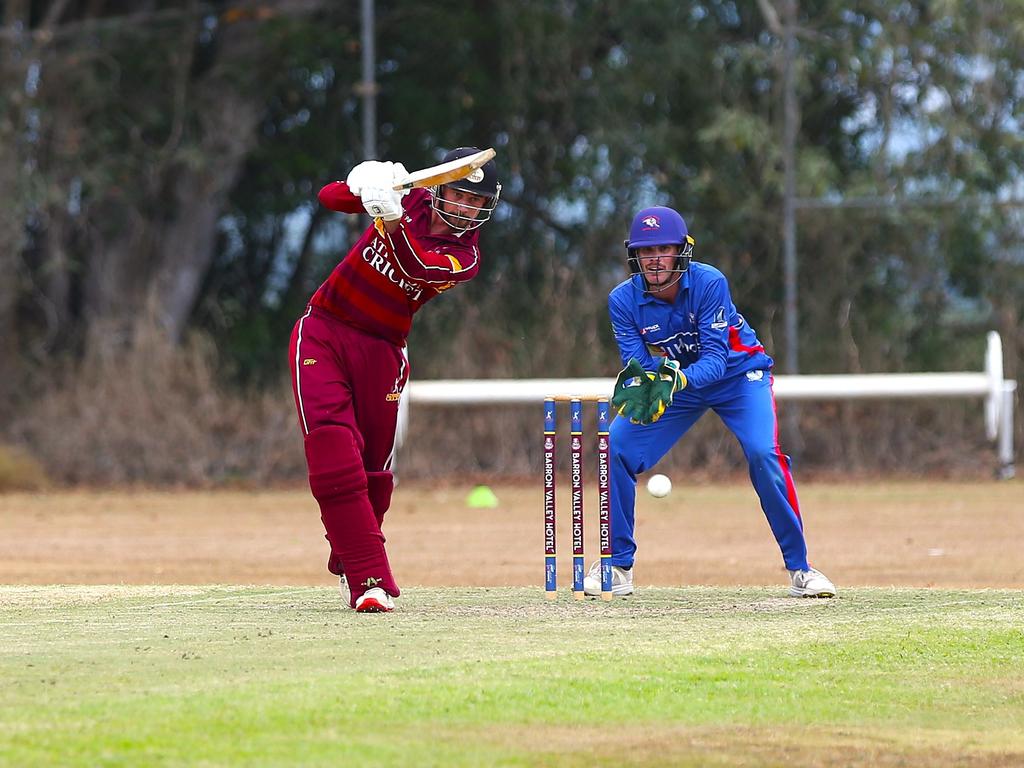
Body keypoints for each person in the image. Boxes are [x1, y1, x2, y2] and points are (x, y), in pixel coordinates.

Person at [583, 205, 836, 599]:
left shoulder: (708, 282)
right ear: (634, 255)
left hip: (739, 376)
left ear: (681, 250)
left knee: (762, 454)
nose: (654, 260)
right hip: (677, 385)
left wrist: (672, 376)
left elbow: (717, 361)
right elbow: (637, 362)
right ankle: (617, 566)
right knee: (615, 445)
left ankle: (801, 569)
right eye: (646, 252)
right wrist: (650, 380)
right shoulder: (622, 300)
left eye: (663, 249)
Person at [289, 147, 501, 612]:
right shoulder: (411, 199)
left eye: (477, 202)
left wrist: (389, 218)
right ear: (439, 190)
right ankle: (370, 580)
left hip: (383, 351)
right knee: (332, 450)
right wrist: (363, 183)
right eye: (461, 196)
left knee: (373, 476)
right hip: (324, 329)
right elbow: (329, 199)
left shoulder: (465, 256)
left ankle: (350, 553)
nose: (467, 209)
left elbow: (416, 266)